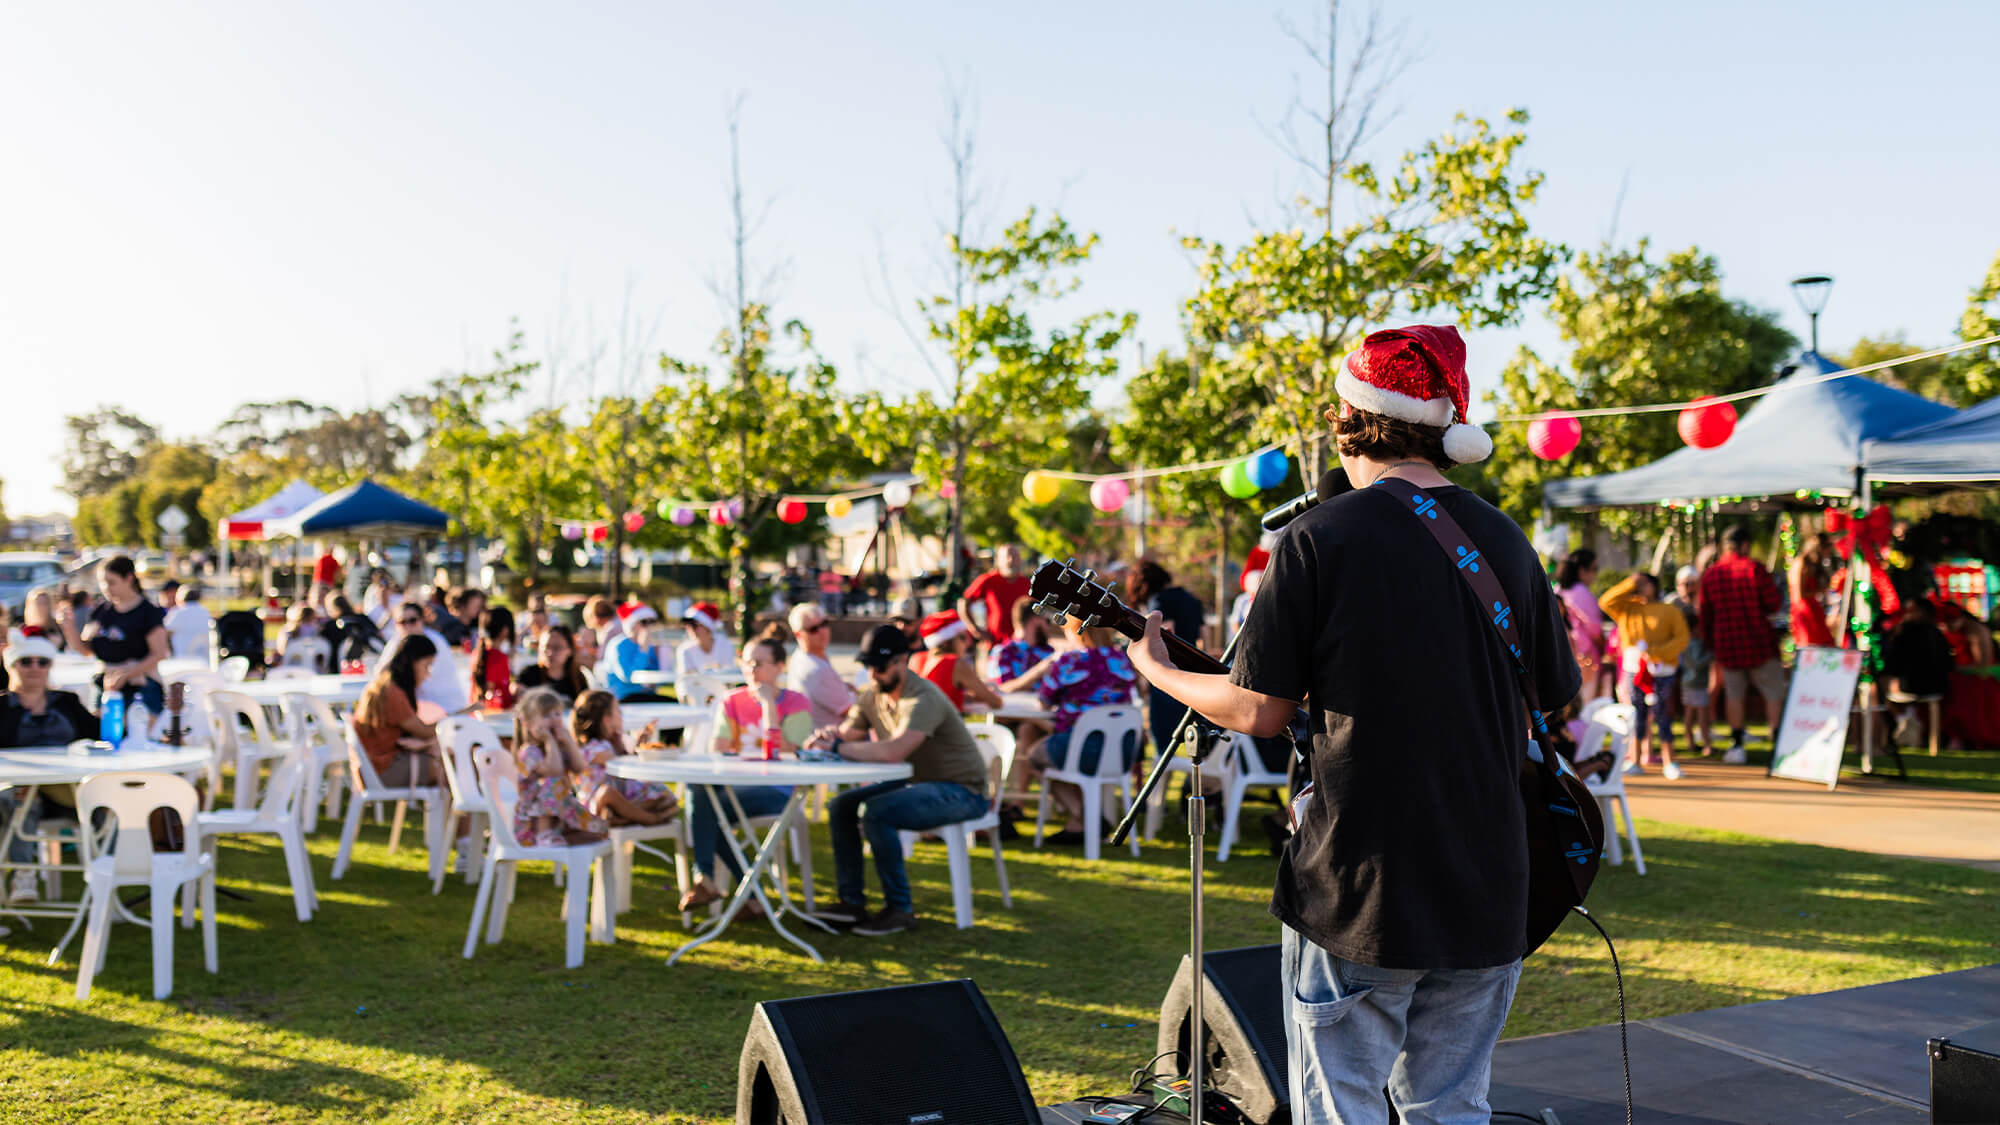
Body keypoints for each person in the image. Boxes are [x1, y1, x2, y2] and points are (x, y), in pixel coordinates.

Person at [1125, 324, 1578, 1123]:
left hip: (1362, 886)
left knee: (1344, 1108)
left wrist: (1158, 668)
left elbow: (1259, 710)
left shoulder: (1316, 538)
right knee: (1452, 1110)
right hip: (1491, 881)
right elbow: (1551, 696)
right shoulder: (1506, 537)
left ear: (1347, 419)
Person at [806, 625, 991, 936]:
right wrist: (828, 737)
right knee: (840, 806)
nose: (873, 674)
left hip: (964, 791)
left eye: (878, 666)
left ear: (901, 660)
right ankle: (851, 903)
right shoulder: (872, 694)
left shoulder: (923, 697)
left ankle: (900, 910)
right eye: (867, 666)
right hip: (919, 783)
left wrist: (838, 747)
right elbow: (848, 733)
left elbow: (895, 751)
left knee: (877, 812)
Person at [676, 636, 805, 913]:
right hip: (736, 787)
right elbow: (718, 750)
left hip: (779, 790)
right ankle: (710, 879)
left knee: (707, 813)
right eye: (746, 663)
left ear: (780, 666)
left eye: (759, 663)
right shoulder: (731, 701)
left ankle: (733, 888)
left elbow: (786, 749)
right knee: (699, 790)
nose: (751, 670)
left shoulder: (796, 702)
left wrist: (768, 704)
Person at [0, 631, 99, 903]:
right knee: (19, 797)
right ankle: (25, 875)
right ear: (12, 666)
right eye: (26, 661)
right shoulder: (2, 707)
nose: (34, 668)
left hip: (66, 791)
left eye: (42, 662)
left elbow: (99, 736)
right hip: (18, 788)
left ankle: (110, 873)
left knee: (105, 795)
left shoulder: (66, 702)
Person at [1024, 623, 1139, 843]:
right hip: (1121, 752)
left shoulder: (1069, 661)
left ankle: (1087, 818)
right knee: (1053, 751)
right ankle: (1081, 824)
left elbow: (1044, 702)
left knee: (1035, 757)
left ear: (1075, 631)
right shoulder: (1122, 660)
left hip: (1083, 749)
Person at [1700, 525, 1786, 763]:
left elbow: (1704, 614)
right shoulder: (1754, 569)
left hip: (1727, 645)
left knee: (1734, 695)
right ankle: (1778, 742)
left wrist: (1710, 643)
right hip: (1759, 643)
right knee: (1772, 694)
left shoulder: (1711, 574)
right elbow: (1773, 603)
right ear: (1745, 544)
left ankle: (1737, 745)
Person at [1599, 572, 1690, 779]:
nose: (1640, 587)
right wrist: (1630, 582)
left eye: (1644, 583)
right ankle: (1636, 760)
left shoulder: (1669, 610)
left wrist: (1655, 653)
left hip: (1662, 671)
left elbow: (1681, 639)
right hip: (1634, 671)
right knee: (1636, 715)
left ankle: (1670, 761)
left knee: (1663, 715)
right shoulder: (1628, 608)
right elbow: (1605, 601)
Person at [1127, 560, 1206, 759]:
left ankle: (1159, 785)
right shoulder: (1191, 599)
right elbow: (1204, 637)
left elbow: (1164, 638)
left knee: (1164, 747)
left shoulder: (1159, 602)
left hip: (1169, 676)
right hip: (1196, 676)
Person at [508, 687, 603, 847]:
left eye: (557, 714)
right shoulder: (529, 751)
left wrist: (569, 742)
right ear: (528, 723)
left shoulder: (559, 747)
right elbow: (554, 771)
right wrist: (550, 741)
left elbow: (580, 768)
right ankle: (543, 834)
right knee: (551, 782)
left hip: (560, 815)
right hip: (531, 823)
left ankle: (561, 837)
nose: (554, 719)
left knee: (599, 834)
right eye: (546, 716)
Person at [570, 690, 678, 827]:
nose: (622, 716)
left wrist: (636, 743)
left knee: (667, 798)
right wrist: (623, 749)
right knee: (607, 792)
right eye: (618, 712)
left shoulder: (608, 744)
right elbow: (624, 763)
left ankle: (622, 818)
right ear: (606, 720)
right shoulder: (590, 750)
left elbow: (627, 766)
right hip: (596, 805)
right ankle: (650, 818)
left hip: (623, 800)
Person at [351, 634, 445, 786]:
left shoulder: (383, 684)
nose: (428, 674)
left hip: (371, 768)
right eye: (426, 666)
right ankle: (470, 807)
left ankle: (458, 808)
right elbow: (424, 731)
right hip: (381, 771)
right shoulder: (392, 693)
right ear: (412, 663)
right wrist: (455, 720)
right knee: (453, 766)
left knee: (450, 761)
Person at [82, 555, 169, 718]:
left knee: (133, 730)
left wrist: (127, 674)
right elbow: (86, 650)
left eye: (111, 582)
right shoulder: (101, 610)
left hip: (141, 685)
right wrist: (68, 630)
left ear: (129, 578)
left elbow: (159, 653)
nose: (106, 588)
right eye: (103, 582)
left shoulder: (148, 612)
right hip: (105, 684)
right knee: (97, 731)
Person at [1883, 600, 1955, 747]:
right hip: (1936, 686)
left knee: (1882, 689)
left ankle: (1905, 718)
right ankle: (1908, 718)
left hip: (1914, 685)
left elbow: (1894, 663)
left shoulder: (1906, 633)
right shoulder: (1937, 634)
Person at [375, 603, 469, 714]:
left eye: (412, 620)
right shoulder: (396, 642)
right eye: (402, 622)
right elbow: (380, 674)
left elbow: (423, 678)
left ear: (422, 620)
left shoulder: (434, 642)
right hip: (417, 707)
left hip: (444, 706)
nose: (408, 626)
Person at [1664, 566, 1714, 756]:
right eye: (1686, 584)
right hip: (1691, 679)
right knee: (1695, 713)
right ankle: (1699, 742)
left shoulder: (1701, 603)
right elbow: (1696, 661)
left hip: (1691, 679)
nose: (1689, 588)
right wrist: (1710, 656)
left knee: (1690, 712)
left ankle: (1692, 740)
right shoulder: (1672, 604)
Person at [910, 610, 1002, 713]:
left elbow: (938, 695)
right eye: (962, 637)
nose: (968, 643)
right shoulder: (955, 663)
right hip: (944, 727)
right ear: (946, 642)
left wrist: (968, 697)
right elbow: (996, 702)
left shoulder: (916, 659)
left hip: (918, 725)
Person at [785, 603, 854, 729]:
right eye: (813, 629)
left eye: (824, 624)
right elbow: (851, 711)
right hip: (829, 741)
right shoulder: (817, 670)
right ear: (798, 634)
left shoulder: (800, 656)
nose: (822, 631)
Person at [1555, 549, 1608, 702]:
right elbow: (1595, 629)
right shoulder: (1581, 593)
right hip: (1585, 657)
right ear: (1582, 570)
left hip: (1563, 654)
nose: (1596, 574)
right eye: (1595, 569)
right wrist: (1602, 647)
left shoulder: (1558, 589)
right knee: (1584, 706)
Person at [958, 544, 1033, 648]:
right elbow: (963, 603)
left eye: (1014, 556)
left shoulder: (1027, 584)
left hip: (1023, 646)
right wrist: (976, 630)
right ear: (998, 560)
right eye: (1006, 556)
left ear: (1020, 559)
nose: (1010, 560)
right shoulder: (988, 580)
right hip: (996, 644)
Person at [986, 599, 1057, 693]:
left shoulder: (1050, 652)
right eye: (1047, 621)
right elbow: (1000, 689)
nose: (1049, 627)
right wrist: (1038, 671)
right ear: (1034, 619)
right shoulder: (1002, 653)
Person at [600, 605, 668, 702]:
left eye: (651, 622)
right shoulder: (618, 645)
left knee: (677, 706)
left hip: (645, 694)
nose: (648, 626)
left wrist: (661, 657)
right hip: (624, 696)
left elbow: (657, 678)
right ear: (631, 623)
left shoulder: (649, 645)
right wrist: (643, 649)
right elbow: (627, 676)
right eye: (644, 622)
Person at [515, 624, 588, 703]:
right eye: (546, 647)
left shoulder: (578, 679)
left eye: (557, 648)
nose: (550, 653)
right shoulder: (528, 674)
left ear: (570, 651)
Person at [1789, 532, 1838, 649]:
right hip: (1805, 612)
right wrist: (1820, 590)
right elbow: (1800, 594)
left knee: (1822, 644)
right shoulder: (1802, 563)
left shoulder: (1813, 564)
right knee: (1811, 645)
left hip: (1812, 609)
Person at [675, 602, 737, 681]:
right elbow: (686, 681)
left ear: (708, 627)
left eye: (695, 625)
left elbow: (729, 677)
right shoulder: (685, 649)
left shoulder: (726, 646)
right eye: (688, 625)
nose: (690, 629)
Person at [321, 594, 383, 669]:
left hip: (341, 668)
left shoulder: (331, 625)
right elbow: (378, 634)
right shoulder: (362, 618)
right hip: (370, 664)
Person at [163, 585, 213, 664]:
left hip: (182, 659)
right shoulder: (205, 612)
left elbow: (165, 634)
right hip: (203, 660)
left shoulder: (177, 612)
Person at [274, 604, 330, 672]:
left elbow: (282, 651)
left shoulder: (288, 631)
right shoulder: (318, 631)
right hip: (312, 670)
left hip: (293, 670)